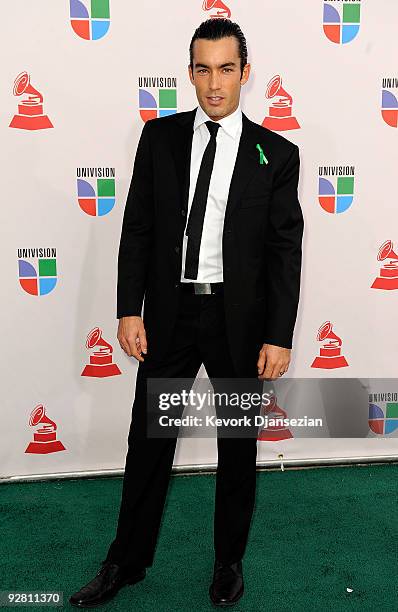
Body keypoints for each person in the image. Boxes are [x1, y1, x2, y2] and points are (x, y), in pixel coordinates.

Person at [69, 17, 304, 609]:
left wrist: (278, 335)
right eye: (203, 69)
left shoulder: (275, 155)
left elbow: (283, 254)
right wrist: (129, 310)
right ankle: (125, 561)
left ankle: (228, 562)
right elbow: (138, 229)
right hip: (170, 318)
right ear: (190, 72)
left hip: (239, 323)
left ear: (245, 75)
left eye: (227, 69)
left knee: (237, 445)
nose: (214, 84)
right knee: (149, 444)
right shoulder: (160, 138)